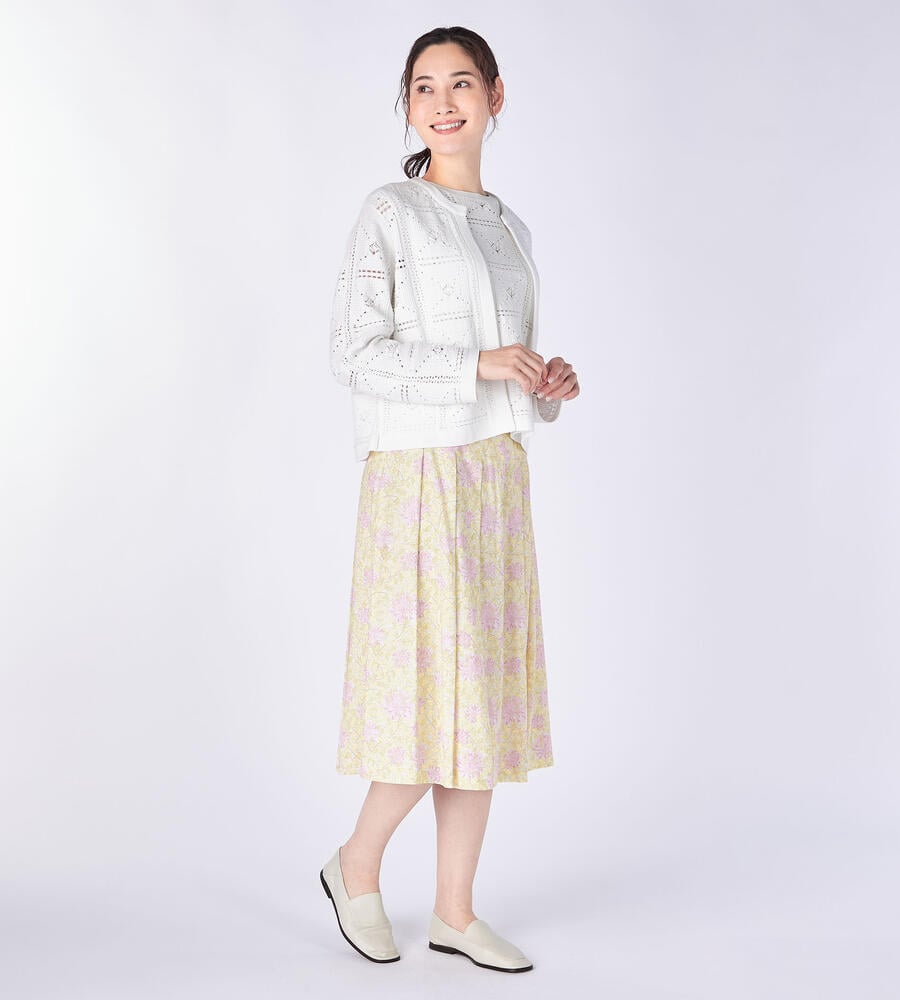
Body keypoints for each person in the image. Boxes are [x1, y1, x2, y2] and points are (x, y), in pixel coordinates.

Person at [319, 25, 580, 974]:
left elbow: (509, 369)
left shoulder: (509, 230)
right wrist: (476, 363)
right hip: (420, 474)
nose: (442, 103)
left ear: (494, 97)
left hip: (496, 476)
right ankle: (355, 864)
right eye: (424, 87)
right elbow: (354, 353)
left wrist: (543, 386)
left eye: (461, 84)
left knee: (484, 704)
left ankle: (455, 912)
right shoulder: (391, 212)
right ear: (408, 105)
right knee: (428, 691)